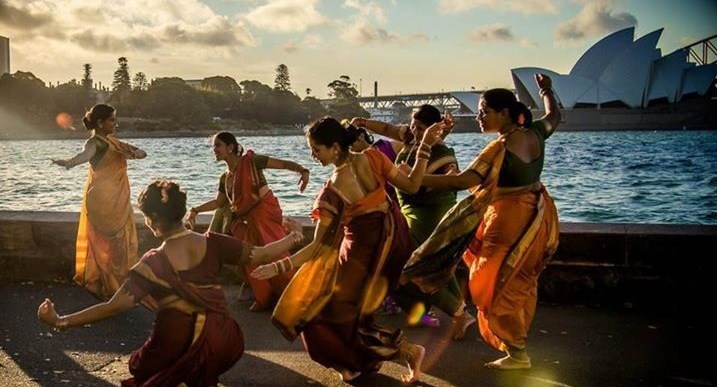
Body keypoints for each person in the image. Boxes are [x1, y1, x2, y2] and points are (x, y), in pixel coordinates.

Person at [37, 180, 304, 386]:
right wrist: (294, 236)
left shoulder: (153, 263)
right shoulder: (214, 242)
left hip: (175, 342)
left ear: (151, 219)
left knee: (139, 368)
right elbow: (262, 254)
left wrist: (60, 321)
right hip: (225, 339)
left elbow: (113, 306)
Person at [251, 116, 446, 383]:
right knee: (350, 317)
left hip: (360, 255)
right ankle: (362, 363)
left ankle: (398, 353)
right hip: (391, 245)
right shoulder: (373, 157)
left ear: (334, 147)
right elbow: (412, 185)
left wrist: (277, 266)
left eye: (316, 149)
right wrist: (424, 145)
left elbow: (318, 245)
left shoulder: (330, 192)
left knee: (320, 316)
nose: (312, 155)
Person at [402, 74, 561, 370]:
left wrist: (412, 178)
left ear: (504, 114)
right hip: (536, 217)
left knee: (490, 284)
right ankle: (518, 351)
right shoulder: (536, 133)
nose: (478, 116)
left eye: (484, 111)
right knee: (517, 282)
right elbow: (554, 115)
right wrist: (547, 90)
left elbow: (463, 181)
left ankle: (517, 352)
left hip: (508, 222)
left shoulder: (499, 148)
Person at [351, 106, 474, 338]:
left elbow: (454, 179)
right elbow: (388, 128)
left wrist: (413, 179)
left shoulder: (441, 152)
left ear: (433, 130)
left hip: (430, 217)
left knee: (407, 269)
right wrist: (364, 123)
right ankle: (425, 313)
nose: (414, 131)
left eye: (420, 128)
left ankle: (460, 314)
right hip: (407, 213)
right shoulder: (410, 139)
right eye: (414, 126)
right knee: (434, 269)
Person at [185, 131, 310, 312]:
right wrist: (195, 210)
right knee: (248, 259)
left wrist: (302, 171)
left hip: (265, 215)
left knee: (275, 254)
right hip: (244, 221)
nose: (214, 150)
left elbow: (282, 164)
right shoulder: (225, 177)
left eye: (218, 145)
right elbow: (219, 203)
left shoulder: (251, 162)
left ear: (230, 147)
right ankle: (263, 296)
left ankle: (291, 294)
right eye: (213, 146)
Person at [51, 104, 146, 299]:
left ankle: (112, 285)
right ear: (101, 123)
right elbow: (82, 157)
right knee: (106, 243)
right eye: (112, 120)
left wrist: (135, 153)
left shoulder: (113, 142)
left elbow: (142, 152)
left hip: (116, 199)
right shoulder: (94, 143)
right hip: (102, 200)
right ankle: (103, 284)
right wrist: (67, 162)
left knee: (116, 245)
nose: (115, 123)